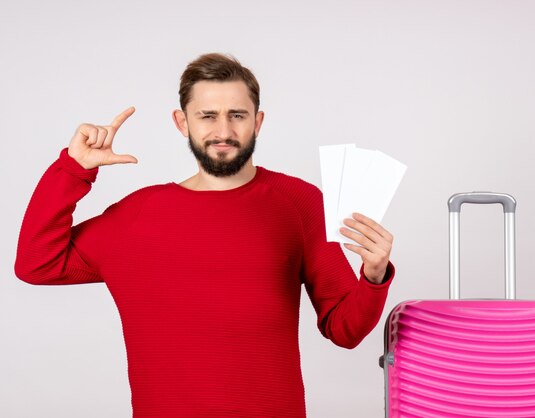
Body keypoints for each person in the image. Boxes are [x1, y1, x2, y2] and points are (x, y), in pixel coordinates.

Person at [15, 53, 395, 418]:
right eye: (208, 116)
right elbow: (37, 264)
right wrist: (73, 169)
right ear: (182, 123)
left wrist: (374, 276)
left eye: (237, 115)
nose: (224, 131)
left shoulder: (299, 203)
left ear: (258, 122)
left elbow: (344, 329)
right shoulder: (137, 215)